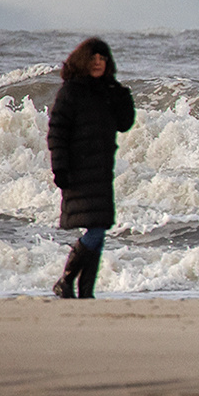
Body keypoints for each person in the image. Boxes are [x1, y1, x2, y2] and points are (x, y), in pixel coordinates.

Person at [46, 37, 136, 299]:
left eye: (102, 59)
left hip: (101, 171)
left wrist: (120, 94)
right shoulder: (71, 92)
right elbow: (57, 133)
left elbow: (124, 123)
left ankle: (85, 292)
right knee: (96, 228)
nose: (98, 63)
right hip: (78, 172)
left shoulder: (108, 91)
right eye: (93, 58)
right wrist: (60, 169)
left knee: (100, 227)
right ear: (83, 61)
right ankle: (66, 281)